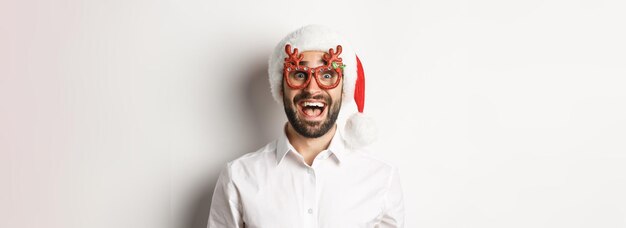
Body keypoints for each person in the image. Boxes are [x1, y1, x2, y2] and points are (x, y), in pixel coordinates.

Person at [207, 24, 404, 228]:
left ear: (344, 89)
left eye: (327, 75)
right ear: (281, 87)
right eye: (299, 74)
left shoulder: (381, 179)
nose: (311, 88)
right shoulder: (238, 177)